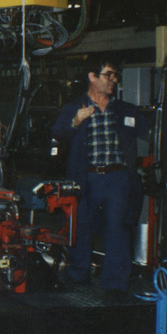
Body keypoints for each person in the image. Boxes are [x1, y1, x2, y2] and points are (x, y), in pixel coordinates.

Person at [51, 58, 147, 293]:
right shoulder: (74, 108)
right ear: (92, 77)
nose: (113, 80)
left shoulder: (125, 110)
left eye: (115, 75)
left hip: (117, 179)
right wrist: (75, 122)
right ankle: (78, 274)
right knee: (81, 225)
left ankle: (115, 283)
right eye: (108, 75)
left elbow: (148, 133)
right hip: (86, 178)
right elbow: (57, 136)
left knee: (118, 229)